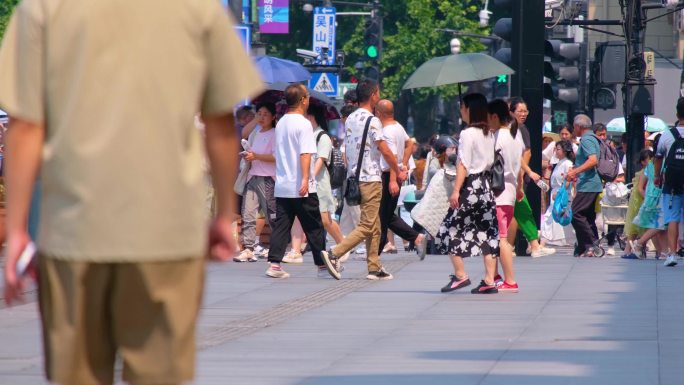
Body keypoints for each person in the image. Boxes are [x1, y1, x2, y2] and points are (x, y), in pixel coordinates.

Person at [0, 2, 261, 384]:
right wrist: (224, 214)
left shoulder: (44, 7)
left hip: (73, 229)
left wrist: (19, 229)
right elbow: (221, 121)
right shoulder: (197, 8)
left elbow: (25, 125)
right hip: (166, 230)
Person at [322, 79, 405, 280]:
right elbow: (384, 149)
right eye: (378, 92)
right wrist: (397, 168)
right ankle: (335, 253)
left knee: (374, 223)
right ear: (374, 95)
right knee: (368, 225)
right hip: (371, 178)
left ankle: (374, 267)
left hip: (355, 178)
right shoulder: (373, 120)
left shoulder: (350, 118)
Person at [436, 93, 499, 294]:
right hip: (486, 187)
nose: (460, 110)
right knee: (487, 231)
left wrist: (456, 191)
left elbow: (463, 164)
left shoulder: (467, 133)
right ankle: (490, 279)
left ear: (469, 109)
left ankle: (460, 275)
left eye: (462, 107)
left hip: (471, 186)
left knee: (449, 228)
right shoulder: (489, 133)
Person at [266, 84, 329, 278]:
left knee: (282, 225)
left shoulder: (282, 121)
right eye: (307, 96)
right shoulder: (303, 124)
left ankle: (274, 264)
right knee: (314, 226)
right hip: (301, 186)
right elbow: (305, 154)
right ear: (302, 100)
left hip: (283, 184)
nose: (309, 99)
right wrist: (304, 179)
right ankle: (323, 267)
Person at [374, 99, 425, 258]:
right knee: (387, 215)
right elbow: (409, 144)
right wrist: (403, 165)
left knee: (383, 215)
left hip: (389, 175)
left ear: (379, 113)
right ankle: (416, 238)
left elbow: (392, 156)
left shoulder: (387, 131)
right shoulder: (398, 126)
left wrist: (392, 180)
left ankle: (375, 254)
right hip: (396, 173)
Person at [507, 97, 555, 257]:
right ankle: (531, 245)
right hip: (513, 178)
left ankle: (516, 246)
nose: (523, 114)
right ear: (511, 111)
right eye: (519, 111)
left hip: (513, 177)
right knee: (521, 211)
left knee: (516, 212)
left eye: (525, 111)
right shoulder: (517, 129)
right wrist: (525, 173)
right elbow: (525, 153)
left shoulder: (517, 129)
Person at [488, 99, 525, 293]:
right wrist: (519, 188)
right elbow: (519, 166)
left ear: (494, 116)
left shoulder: (497, 138)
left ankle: (510, 280)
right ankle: (494, 276)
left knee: (501, 238)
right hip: (510, 192)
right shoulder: (514, 135)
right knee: (497, 237)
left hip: (498, 193)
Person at [234, 102, 277, 262]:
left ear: (273, 117)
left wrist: (257, 156)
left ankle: (277, 246)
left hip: (268, 179)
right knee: (248, 213)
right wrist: (249, 155)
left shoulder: (275, 133)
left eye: (266, 114)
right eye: (259, 113)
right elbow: (244, 133)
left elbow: (275, 157)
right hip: (252, 177)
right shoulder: (256, 132)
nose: (262, 117)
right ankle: (248, 248)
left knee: (272, 216)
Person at [307, 104, 347, 258]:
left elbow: (321, 159)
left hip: (320, 183)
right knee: (319, 219)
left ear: (311, 117)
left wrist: (310, 177)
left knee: (325, 219)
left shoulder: (322, 136)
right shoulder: (307, 135)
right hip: (309, 182)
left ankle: (342, 245)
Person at [654, 97, 684, 267]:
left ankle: (672, 254)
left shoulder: (668, 135)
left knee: (672, 218)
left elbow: (658, 158)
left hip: (672, 184)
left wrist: (657, 176)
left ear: (677, 113)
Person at [567, 114, 602, 257]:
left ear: (577, 126)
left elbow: (593, 160)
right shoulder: (593, 138)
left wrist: (575, 171)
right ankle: (585, 247)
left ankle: (592, 244)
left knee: (576, 213)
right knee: (587, 217)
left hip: (588, 184)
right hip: (591, 183)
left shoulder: (587, 139)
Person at [632, 135, 667, 260]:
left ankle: (663, 252)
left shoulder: (651, 164)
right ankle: (640, 242)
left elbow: (644, 183)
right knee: (662, 224)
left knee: (661, 225)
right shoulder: (664, 162)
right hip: (660, 195)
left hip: (652, 196)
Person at [541, 140, 576, 247]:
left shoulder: (568, 164)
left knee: (550, 216)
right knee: (552, 217)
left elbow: (569, 180)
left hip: (562, 193)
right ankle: (545, 240)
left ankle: (543, 241)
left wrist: (561, 193)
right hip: (556, 192)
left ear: (565, 151)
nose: (555, 151)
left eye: (558, 149)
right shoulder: (558, 163)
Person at [621, 149, 651, 259]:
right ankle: (628, 249)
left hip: (638, 200)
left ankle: (633, 250)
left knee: (640, 228)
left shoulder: (646, 171)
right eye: (649, 160)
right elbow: (640, 189)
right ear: (643, 162)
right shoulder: (645, 172)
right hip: (639, 202)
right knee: (635, 228)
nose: (651, 162)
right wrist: (648, 200)